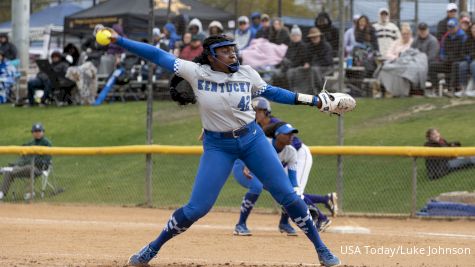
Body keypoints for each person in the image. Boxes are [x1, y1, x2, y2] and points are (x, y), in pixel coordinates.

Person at [93, 24, 355, 267]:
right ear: (210, 56)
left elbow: (273, 92)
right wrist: (119, 40)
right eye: (225, 51)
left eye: (233, 50)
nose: (232, 55)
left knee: (287, 195)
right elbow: (156, 55)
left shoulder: (246, 73)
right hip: (219, 146)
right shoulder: (195, 72)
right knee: (197, 208)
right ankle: (153, 247)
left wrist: (314, 100)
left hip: (253, 140)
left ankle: (321, 249)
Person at [0, 123, 52, 201]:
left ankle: (30, 192)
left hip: (38, 168)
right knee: (9, 171)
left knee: (28, 167)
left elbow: (47, 160)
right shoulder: (30, 143)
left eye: (39, 131)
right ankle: (1, 193)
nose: (37, 133)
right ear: (32, 133)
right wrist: (16, 163)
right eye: (35, 131)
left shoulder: (47, 143)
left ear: (43, 132)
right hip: (24, 168)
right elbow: (22, 155)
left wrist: (35, 160)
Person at [429, 18, 467, 94]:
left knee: (454, 65)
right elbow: (442, 52)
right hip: (447, 62)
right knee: (432, 66)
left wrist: (453, 58)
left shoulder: (463, 37)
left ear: (457, 27)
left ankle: (450, 89)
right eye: (449, 27)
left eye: (452, 27)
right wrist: (443, 58)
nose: (451, 29)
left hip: (457, 62)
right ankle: (435, 89)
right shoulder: (446, 37)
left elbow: (464, 53)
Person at [306, 27, 334, 93]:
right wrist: (307, 63)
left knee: (314, 69)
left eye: (316, 36)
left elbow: (328, 61)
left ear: (319, 36)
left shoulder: (326, 46)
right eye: (312, 37)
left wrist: (314, 64)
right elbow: (307, 58)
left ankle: (320, 90)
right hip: (313, 67)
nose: (314, 38)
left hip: (327, 68)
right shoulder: (308, 46)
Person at [456, 23, 475, 97]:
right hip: (469, 60)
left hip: (473, 62)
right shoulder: (468, 39)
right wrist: (466, 57)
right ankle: (463, 89)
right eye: (473, 28)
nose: (474, 30)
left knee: (473, 65)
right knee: (462, 65)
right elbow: (462, 52)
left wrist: (471, 56)